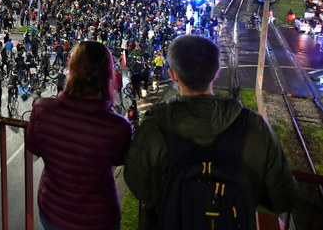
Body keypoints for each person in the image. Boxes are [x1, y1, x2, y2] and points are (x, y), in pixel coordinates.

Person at [124, 35, 298, 230]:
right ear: (217, 72)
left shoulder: (153, 125)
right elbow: (283, 197)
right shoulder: (254, 125)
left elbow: (138, 185)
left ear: (173, 75)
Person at [26, 41, 132, 230]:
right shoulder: (118, 126)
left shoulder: (42, 109)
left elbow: (33, 146)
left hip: (52, 209)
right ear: (107, 74)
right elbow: (119, 158)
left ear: (71, 69)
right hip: (97, 218)